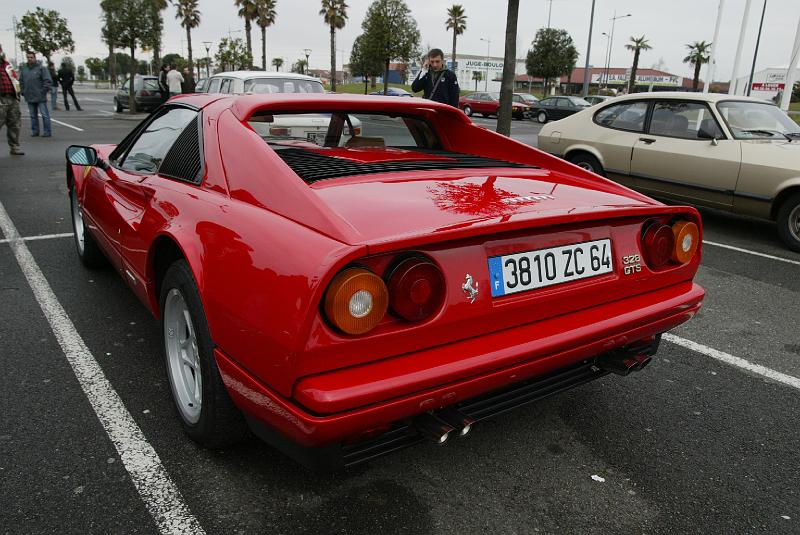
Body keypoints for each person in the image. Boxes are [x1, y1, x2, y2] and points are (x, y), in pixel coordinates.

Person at [19, 50, 52, 137]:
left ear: (35, 58)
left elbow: (48, 81)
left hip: (40, 97)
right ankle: (35, 131)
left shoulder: (42, 68)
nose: (29, 59)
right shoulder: (24, 69)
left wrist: (43, 92)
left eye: (31, 57)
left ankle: (47, 132)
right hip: (29, 96)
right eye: (28, 57)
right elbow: (21, 81)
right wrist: (23, 91)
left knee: (44, 115)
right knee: (33, 115)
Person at [0, 43, 24, 155]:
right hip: (1, 99)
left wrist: (17, 94)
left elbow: (15, 79)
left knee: (15, 124)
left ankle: (14, 146)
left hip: (12, 98)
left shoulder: (7, 66)